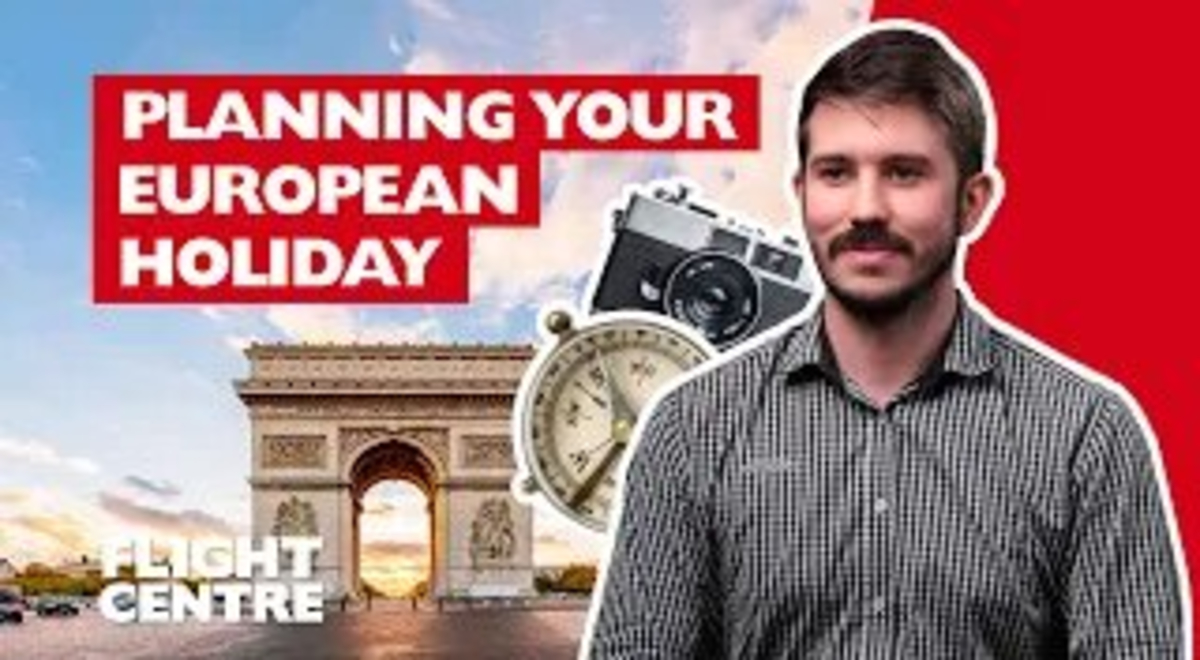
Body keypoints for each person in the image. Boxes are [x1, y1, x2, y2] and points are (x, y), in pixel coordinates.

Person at [584, 22, 1186, 659]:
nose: (866, 209)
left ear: (972, 201)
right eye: (837, 173)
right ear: (802, 194)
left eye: (904, 173)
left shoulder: (1085, 434)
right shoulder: (691, 429)